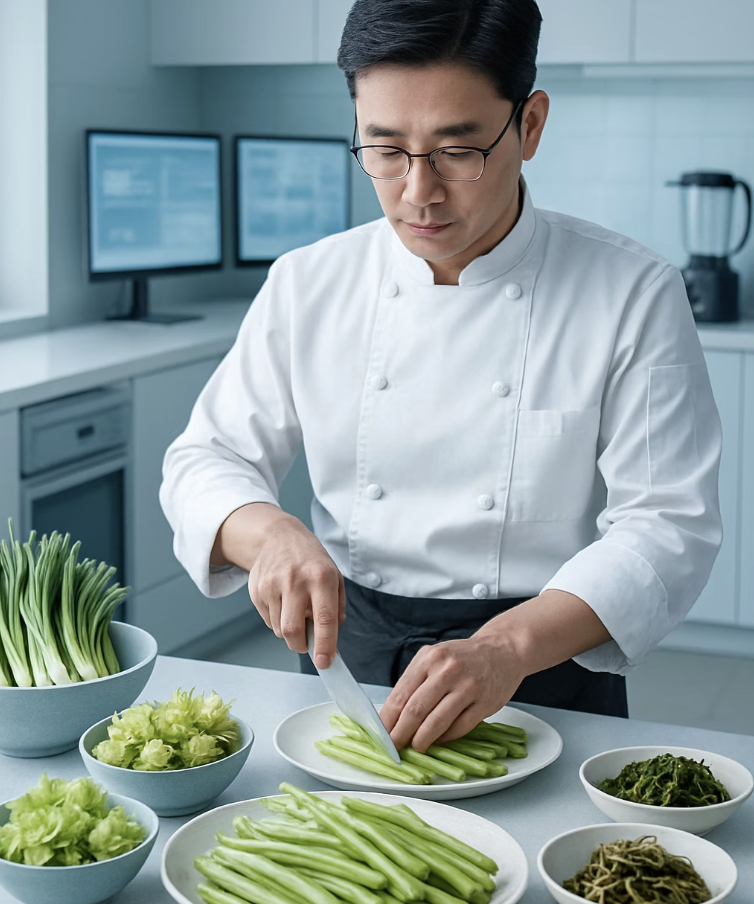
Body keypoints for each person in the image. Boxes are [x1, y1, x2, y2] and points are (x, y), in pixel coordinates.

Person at [160, 0, 722, 754]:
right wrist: (271, 536)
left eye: (457, 152)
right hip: (345, 668)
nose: (418, 192)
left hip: (545, 664)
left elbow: (668, 524)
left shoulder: (630, 290)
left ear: (529, 126)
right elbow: (205, 459)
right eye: (385, 150)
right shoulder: (309, 282)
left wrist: (508, 648)